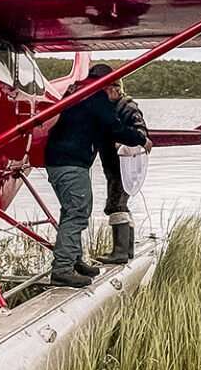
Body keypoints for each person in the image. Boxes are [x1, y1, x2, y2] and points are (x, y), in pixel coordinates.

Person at [43, 64, 147, 287]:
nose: (116, 91)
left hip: (56, 161)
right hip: (70, 163)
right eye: (114, 85)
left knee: (70, 211)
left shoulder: (78, 92)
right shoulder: (96, 97)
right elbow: (114, 128)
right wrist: (141, 139)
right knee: (78, 212)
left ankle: (75, 260)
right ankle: (62, 269)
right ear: (106, 83)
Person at [96, 75, 151, 263]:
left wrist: (122, 143)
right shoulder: (109, 108)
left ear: (118, 88)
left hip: (125, 166)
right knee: (121, 204)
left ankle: (120, 252)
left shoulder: (128, 107)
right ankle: (127, 251)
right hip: (113, 166)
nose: (109, 90)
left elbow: (141, 133)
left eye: (112, 86)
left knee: (115, 205)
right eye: (105, 87)